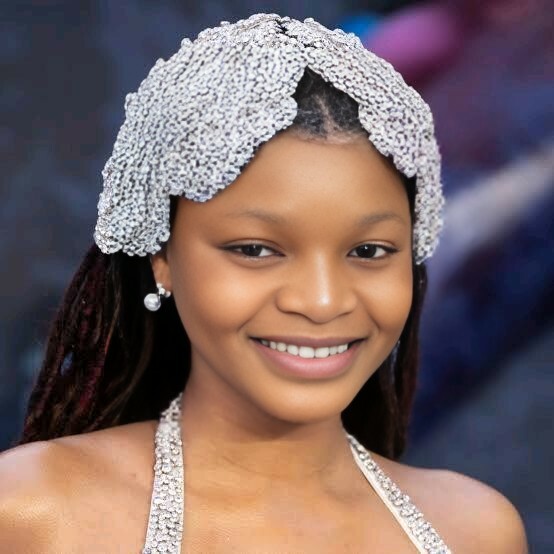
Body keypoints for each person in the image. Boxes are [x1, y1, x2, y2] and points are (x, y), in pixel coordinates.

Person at [0, 13, 527, 553]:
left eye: (368, 252)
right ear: (161, 255)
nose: (322, 301)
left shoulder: (476, 531)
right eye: (256, 250)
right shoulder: (33, 515)